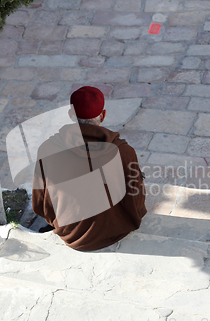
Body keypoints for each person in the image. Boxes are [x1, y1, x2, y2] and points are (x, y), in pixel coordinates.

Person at [32, 86, 147, 251]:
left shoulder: (47, 150)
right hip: (117, 230)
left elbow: (39, 203)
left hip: (70, 234)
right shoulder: (123, 152)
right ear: (103, 115)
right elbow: (136, 197)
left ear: (71, 115)